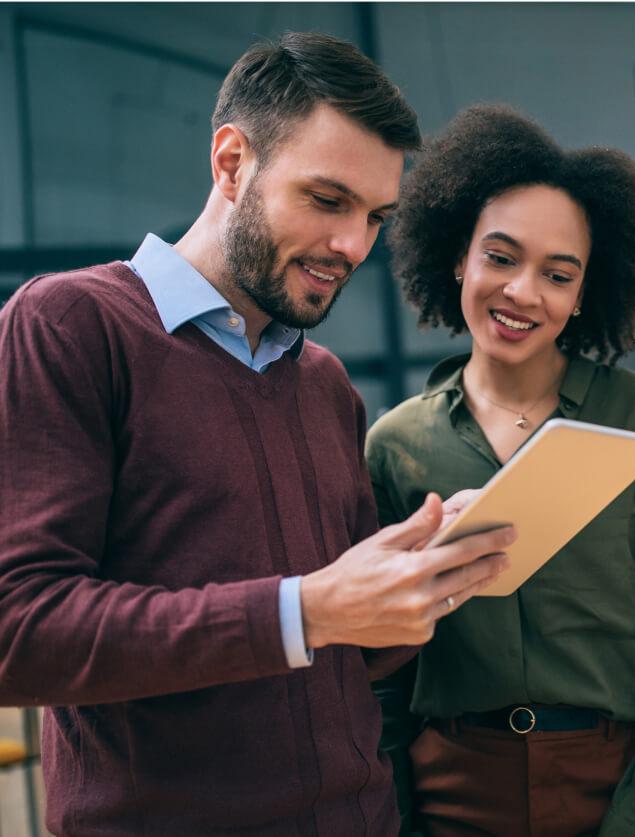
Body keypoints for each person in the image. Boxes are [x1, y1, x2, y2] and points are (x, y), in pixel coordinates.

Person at [0, 33, 515, 836]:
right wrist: (302, 610)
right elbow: (18, 629)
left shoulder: (323, 382)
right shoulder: (69, 325)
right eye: (327, 199)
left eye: (375, 216)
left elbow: (347, 648)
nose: (353, 246)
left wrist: (424, 579)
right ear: (232, 163)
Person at [366, 105, 635, 837]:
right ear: (458, 255)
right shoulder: (394, 445)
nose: (524, 292)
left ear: (585, 291)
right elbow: (384, 674)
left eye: (558, 274)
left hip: (620, 785)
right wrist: (401, 816)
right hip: (455, 794)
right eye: (500, 257)